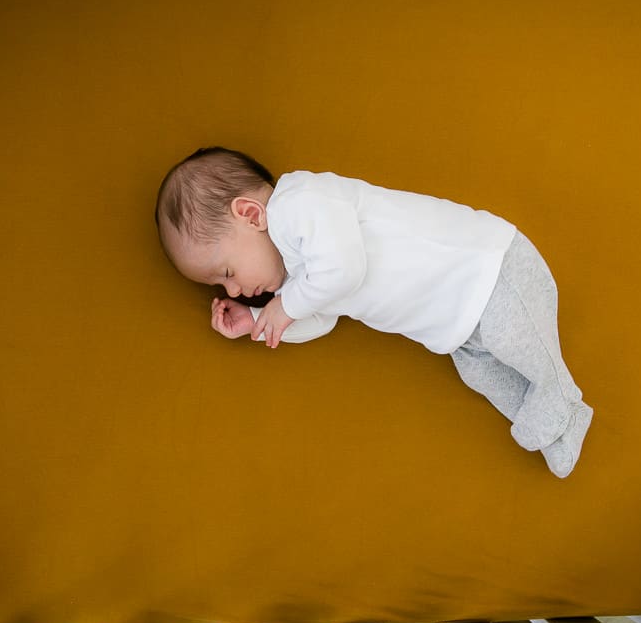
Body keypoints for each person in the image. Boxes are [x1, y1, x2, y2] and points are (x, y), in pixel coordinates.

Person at [155, 147, 593, 478]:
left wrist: (284, 306)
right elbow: (322, 319)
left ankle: (566, 408)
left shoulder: (299, 203)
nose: (233, 289)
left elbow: (344, 269)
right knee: (484, 373)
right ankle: (550, 423)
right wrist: (259, 321)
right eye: (221, 286)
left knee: (524, 348)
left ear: (251, 214)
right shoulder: (300, 280)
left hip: (491, 270)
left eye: (227, 271)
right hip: (457, 328)